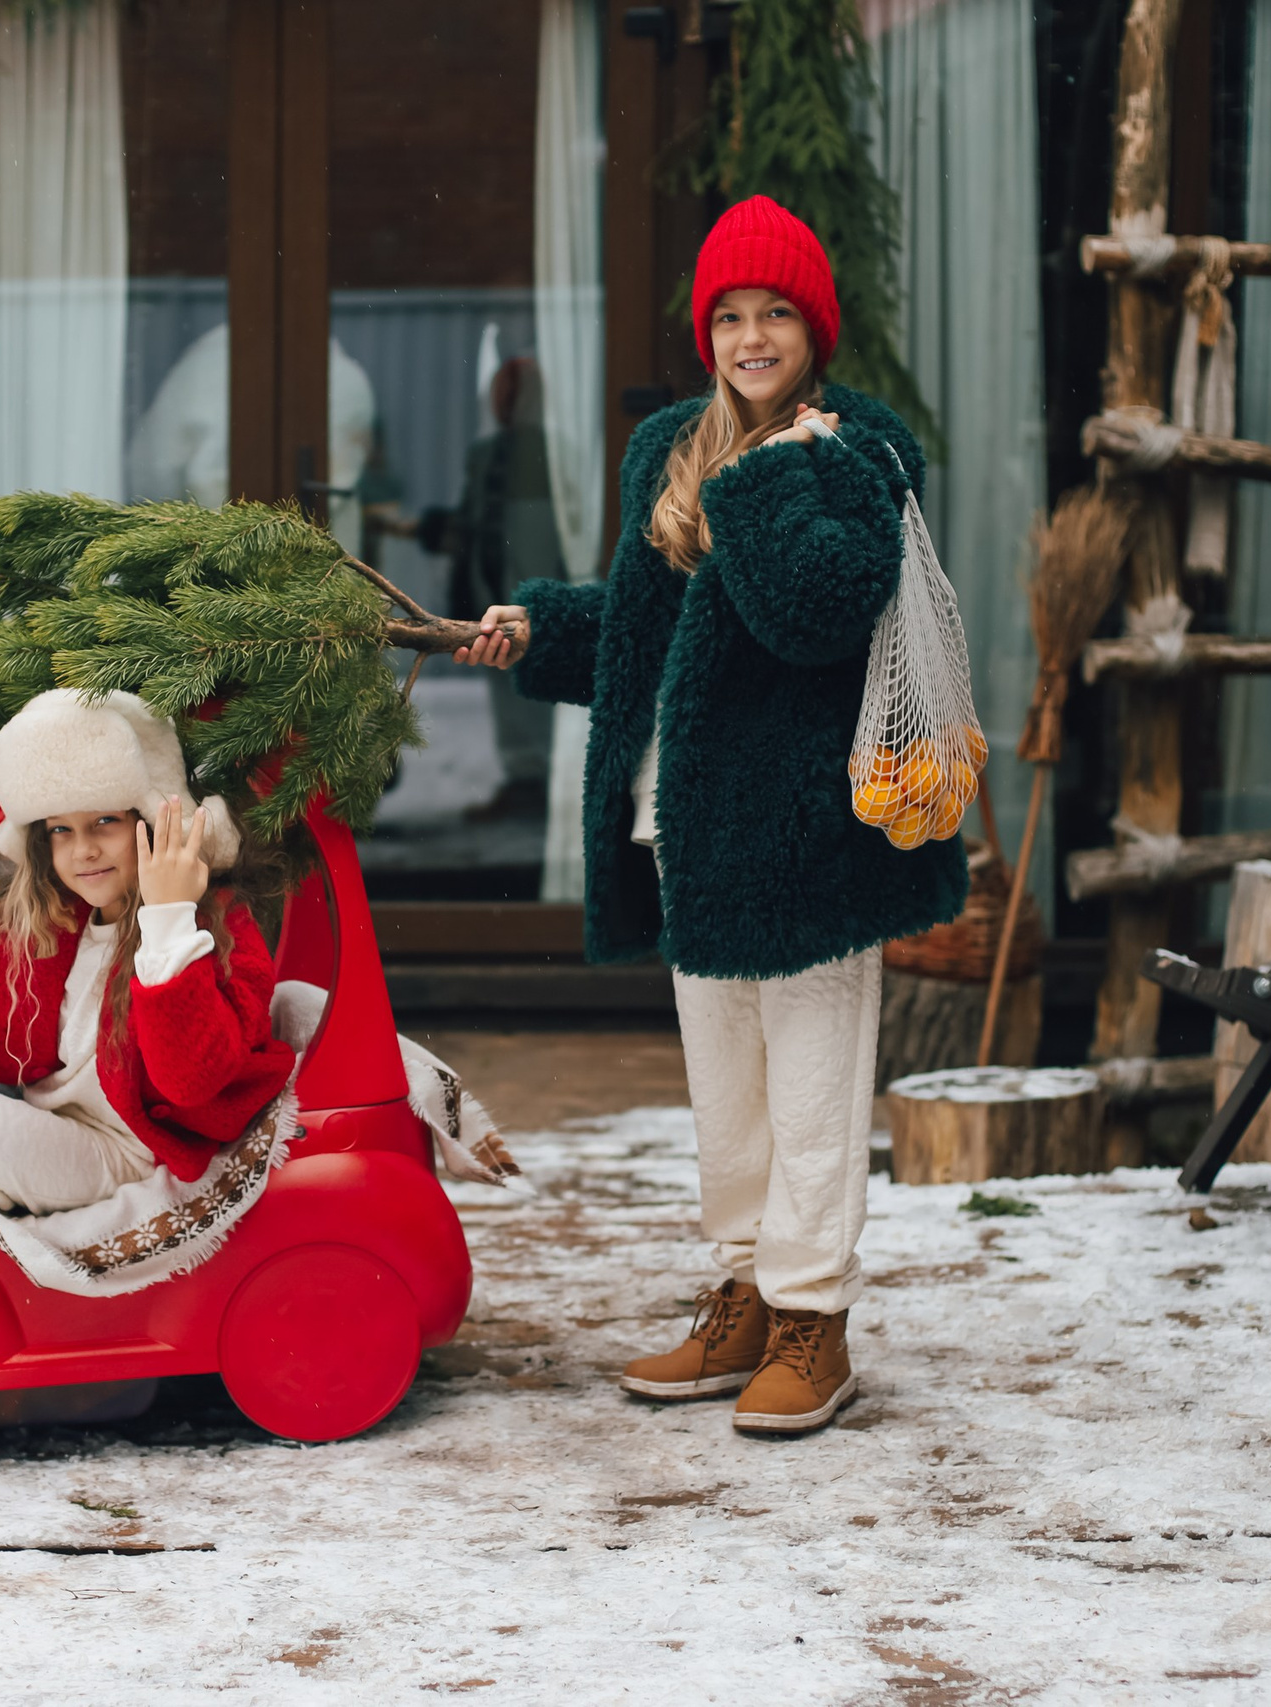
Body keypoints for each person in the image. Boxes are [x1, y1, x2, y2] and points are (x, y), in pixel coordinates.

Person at [455, 195, 967, 1435]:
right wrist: (539, 626)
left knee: (811, 1087)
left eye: (774, 313)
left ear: (814, 328)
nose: (749, 337)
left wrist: (767, 477)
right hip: (684, 822)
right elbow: (647, 630)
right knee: (726, 1087)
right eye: (729, 315)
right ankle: (747, 1287)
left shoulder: (858, 451)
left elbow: (818, 610)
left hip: (809, 835)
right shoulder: (667, 451)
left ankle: (814, 1319)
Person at [0, 689, 294, 1214]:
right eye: (62, 830)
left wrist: (169, 917)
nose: (83, 849)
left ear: (149, 822)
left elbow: (192, 1079)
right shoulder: (64, 914)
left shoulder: (217, 926)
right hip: (49, 1113)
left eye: (105, 821)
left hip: (130, 1145)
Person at [418, 356, 566, 819]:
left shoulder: (559, 454)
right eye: (503, 392)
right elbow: (470, 518)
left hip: (537, 589)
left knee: (538, 669)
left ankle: (540, 777)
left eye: (518, 393)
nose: (509, 403)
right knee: (501, 670)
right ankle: (523, 775)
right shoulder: (484, 455)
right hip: (492, 585)